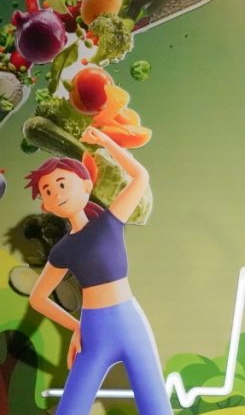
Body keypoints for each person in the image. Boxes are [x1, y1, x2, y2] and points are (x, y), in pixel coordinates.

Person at [26, 126, 172, 415]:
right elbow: (37, 298)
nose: (57, 193)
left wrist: (106, 141)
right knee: (71, 410)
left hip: (130, 324)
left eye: (62, 184)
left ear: (86, 185)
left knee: (156, 408)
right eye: (48, 191)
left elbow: (140, 176)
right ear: (46, 205)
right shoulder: (62, 250)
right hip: (93, 332)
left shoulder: (110, 222)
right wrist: (76, 327)